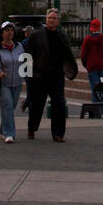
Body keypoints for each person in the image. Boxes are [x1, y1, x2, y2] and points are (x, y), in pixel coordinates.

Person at [23, 9, 77, 143]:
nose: (51, 20)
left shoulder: (62, 36)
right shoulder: (36, 35)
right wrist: (30, 74)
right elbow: (27, 55)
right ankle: (32, 127)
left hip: (57, 75)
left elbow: (67, 53)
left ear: (58, 21)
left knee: (58, 104)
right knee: (37, 105)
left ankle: (58, 133)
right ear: (46, 20)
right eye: (49, 18)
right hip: (40, 76)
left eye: (54, 18)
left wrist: (70, 70)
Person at [0, 22, 25, 143]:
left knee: (10, 107)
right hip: (2, 83)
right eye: (7, 30)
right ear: (2, 33)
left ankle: (3, 129)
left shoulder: (19, 47)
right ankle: (9, 134)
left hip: (17, 82)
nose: (9, 33)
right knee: (7, 105)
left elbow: (24, 61)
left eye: (11, 30)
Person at [79, 19, 103, 103]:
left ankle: (96, 107)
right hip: (102, 66)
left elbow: (83, 55)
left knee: (94, 88)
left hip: (91, 67)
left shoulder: (87, 39)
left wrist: (86, 64)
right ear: (99, 27)